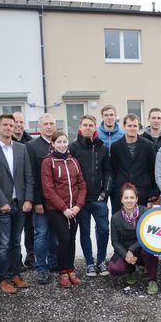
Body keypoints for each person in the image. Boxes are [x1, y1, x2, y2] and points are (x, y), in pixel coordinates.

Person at [0, 114, 34, 295]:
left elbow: (29, 175)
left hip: (20, 204)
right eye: (5, 125)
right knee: (3, 244)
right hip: (3, 206)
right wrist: (1, 201)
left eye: (11, 125)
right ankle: (2, 278)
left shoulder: (21, 149)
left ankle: (15, 274)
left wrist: (28, 199)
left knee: (15, 242)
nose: (8, 128)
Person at [41, 131, 87, 288]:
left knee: (72, 240)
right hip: (57, 210)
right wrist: (63, 208)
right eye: (58, 142)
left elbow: (81, 185)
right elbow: (48, 189)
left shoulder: (73, 161)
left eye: (64, 141)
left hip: (74, 209)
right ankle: (62, 272)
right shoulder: (48, 162)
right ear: (53, 144)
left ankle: (71, 269)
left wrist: (78, 206)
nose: (62, 144)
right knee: (64, 240)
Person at [69, 114, 112, 278]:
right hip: (81, 200)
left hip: (99, 199)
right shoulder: (73, 148)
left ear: (95, 127)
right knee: (84, 232)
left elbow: (108, 172)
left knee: (103, 230)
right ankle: (89, 263)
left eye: (91, 125)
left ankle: (101, 260)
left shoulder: (102, 147)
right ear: (80, 127)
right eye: (85, 125)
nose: (88, 128)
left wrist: (105, 192)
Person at [108, 183, 160, 295]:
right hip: (126, 250)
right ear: (121, 200)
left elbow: (148, 236)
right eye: (126, 197)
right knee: (114, 268)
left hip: (142, 248)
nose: (129, 200)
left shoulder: (145, 212)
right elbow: (115, 241)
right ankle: (130, 270)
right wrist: (126, 253)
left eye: (132, 197)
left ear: (136, 199)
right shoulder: (115, 217)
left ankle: (153, 280)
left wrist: (132, 249)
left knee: (149, 250)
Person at [26, 113, 59, 284]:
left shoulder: (60, 144)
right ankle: (41, 268)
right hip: (41, 202)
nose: (49, 126)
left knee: (54, 235)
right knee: (41, 234)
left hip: (58, 203)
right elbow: (31, 175)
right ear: (39, 127)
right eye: (45, 124)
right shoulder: (31, 147)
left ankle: (54, 264)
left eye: (52, 123)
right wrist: (37, 201)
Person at [110, 114, 157, 212]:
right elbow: (114, 170)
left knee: (142, 224)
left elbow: (153, 169)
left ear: (138, 127)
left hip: (143, 193)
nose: (132, 128)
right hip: (122, 194)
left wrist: (153, 191)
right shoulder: (115, 147)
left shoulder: (148, 146)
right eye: (129, 126)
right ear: (123, 126)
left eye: (135, 126)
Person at [11, 111, 35, 270]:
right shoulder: (5, 143)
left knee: (30, 227)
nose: (19, 125)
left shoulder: (31, 142)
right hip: (13, 194)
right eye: (15, 122)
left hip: (28, 192)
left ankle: (31, 256)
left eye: (21, 122)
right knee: (15, 231)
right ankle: (16, 259)